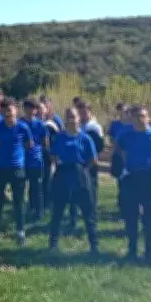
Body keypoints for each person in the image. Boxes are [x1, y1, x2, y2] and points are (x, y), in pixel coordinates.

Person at [115, 104, 151, 261]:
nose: (140, 119)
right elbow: (119, 151)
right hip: (131, 177)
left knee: (149, 215)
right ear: (131, 119)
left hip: (148, 178)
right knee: (131, 215)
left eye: (143, 116)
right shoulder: (125, 134)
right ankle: (132, 249)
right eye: (137, 116)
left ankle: (149, 250)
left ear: (149, 118)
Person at [49, 107, 99, 254]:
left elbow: (93, 159)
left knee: (87, 212)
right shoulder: (59, 137)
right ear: (65, 119)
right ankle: (53, 244)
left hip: (80, 175)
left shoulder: (85, 138)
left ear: (79, 119)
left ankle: (94, 245)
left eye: (74, 117)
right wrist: (58, 163)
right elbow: (52, 154)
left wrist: (83, 170)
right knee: (57, 211)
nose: (71, 120)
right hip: (63, 173)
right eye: (69, 117)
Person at [0, 98, 33, 246]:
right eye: (5, 109)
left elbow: (29, 145)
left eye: (10, 108)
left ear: (16, 110)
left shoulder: (23, 127)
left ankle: (20, 232)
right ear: (1, 111)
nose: (8, 112)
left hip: (17, 169)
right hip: (0, 168)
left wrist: (18, 157)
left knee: (19, 202)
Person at [22, 99, 48, 221]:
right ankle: (26, 209)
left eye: (33, 108)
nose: (30, 111)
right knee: (22, 187)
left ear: (36, 110)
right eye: (28, 108)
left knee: (36, 186)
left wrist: (38, 151)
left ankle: (39, 211)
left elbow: (45, 143)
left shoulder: (40, 124)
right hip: (22, 160)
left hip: (36, 160)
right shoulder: (20, 123)